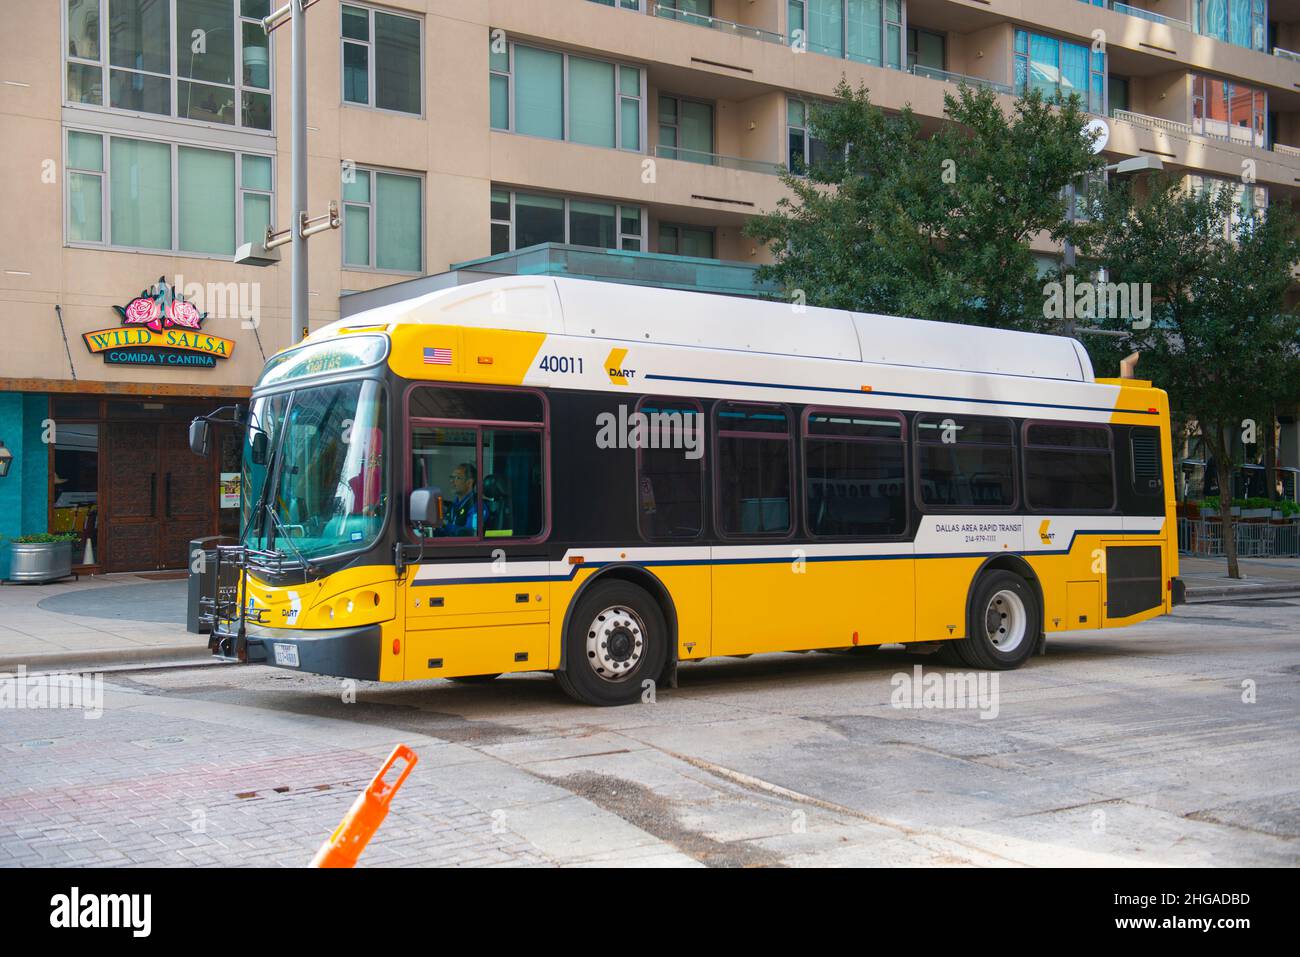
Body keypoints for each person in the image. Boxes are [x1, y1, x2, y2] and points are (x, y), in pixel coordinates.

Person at [437, 462, 480, 537]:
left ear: (469, 482)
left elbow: (470, 534)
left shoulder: (477, 506)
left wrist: (445, 524)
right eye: (452, 477)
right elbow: (443, 531)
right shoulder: (453, 506)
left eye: (457, 478)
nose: (452, 481)